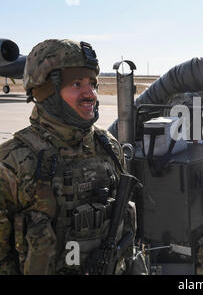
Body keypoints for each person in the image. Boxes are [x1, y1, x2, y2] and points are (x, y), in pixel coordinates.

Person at [0, 39, 143, 274]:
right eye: (77, 84)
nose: (91, 95)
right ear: (47, 92)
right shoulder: (12, 163)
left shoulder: (108, 147)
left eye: (93, 84)